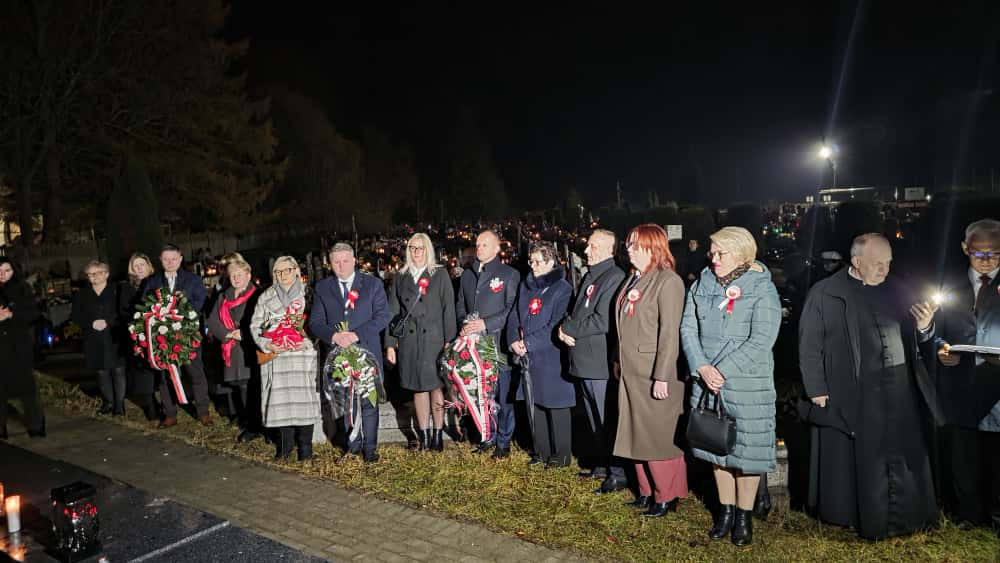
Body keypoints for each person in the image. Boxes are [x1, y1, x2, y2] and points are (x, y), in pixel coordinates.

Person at [798, 232, 942, 539]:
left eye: (888, 263)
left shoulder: (899, 289)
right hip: (853, 391)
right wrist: (816, 388)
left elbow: (919, 338)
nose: (884, 270)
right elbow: (809, 344)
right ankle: (858, 515)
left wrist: (924, 326)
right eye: (877, 264)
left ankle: (908, 515)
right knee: (859, 458)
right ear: (856, 261)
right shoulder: (826, 293)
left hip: (898, 390)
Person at [680, 227, 781, 546]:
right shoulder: (701, 283)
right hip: (708, 381)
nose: (713, 258)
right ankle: (724, 512)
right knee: (716, 449)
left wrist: (722, 370)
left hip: (747, 384)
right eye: (711, 252)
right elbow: (687, 327)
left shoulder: (762, 288)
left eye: (720, 253)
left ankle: (743, 516)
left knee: (746, 455)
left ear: (741, 254)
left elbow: (762, 339)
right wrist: (701, 366)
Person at [929, 219, 1000, 534]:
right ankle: (968, 514)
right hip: (963, 386)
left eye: (995, 253)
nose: (986, 260)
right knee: (964, 454)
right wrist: (941, 348)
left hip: (997, 388)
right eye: (978, 253)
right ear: (965, 248)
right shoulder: (950, 286)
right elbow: (936, 331)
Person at [614, 224, 687, 518]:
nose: (629, 249)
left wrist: (662, 375)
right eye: (628, 244)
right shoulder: (633, 278)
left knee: (657, 436)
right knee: (635, 432)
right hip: (630, 371)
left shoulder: (668, 281)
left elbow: (669, 334)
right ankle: (646, 491)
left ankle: (667, 495)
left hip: (652, 372)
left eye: (635, 245)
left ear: (653, 247)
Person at [558, 229, 627, 491]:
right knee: (593, 418)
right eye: (588, 245)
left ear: (609, 250)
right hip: (584, 361)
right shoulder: (592, 275)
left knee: (606, 419)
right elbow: (576, 311)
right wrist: (564, 327)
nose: (587, 251)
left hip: (598, 363)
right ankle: (602, 464)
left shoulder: (614, 277)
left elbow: (602, 320)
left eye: (593, 246)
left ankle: (618, 472)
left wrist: (568, 329)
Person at [310, 243, 390, 462]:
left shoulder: (372, 284)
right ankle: (353, 447)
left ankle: (370, 450)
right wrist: (334, 336)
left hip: (367, 352)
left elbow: (383, 316)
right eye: (336, 261)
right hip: (338, 356)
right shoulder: (323, 287)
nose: (341, 265)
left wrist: (356, 335)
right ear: (330, 264)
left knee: (368, 402)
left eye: (345, 260)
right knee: (347, 402)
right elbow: (315, 322)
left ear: (354, 261)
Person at [385, 233, 457, 451]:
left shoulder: (440, 274)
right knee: (418, 388)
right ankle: (424, 435)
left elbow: (448, 309)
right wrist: (390, 344)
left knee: (436, 388)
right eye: (412, 248)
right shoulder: (400, 276)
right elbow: (393, 312)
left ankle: (437, 434)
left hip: (434, 341)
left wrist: (449, 341)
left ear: (428, 250)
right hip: (410, 342)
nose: (416, 252)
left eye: (421, 248)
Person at [508, 241, 573, 467]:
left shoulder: (563, 289)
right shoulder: (525, 286)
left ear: (551, 261)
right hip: (528, 357)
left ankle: (561, 455)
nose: (533, 266)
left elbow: (556, 324)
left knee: (555, 404)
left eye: (538, 261)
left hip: (551, 356)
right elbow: (514, 316)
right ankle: (541, 451)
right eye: (531, 261)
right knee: (534, 404)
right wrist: (513, 341)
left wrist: (528, 343)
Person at [456, 230, 520, 458]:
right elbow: (460, 304)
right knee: (482, 394)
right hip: (474, 345)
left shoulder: (509, 274)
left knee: (503, 396)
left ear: (496, 248)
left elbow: (511, 309)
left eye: (485, 244)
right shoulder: (467, 275)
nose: (479, 248)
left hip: (497, 344)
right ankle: (487, 436)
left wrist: (486, 323)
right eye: (477, 244)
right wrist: (465, 324)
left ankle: (504, 441)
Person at [251, 256, 321, 460]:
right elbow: (255, 325)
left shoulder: (309, 294)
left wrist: (307, 341)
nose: (282, 275)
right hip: (277, 357)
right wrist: (267, 344)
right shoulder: (266, 296)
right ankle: (284, 447)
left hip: (302, 356)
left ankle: (306, 450)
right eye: (278, 271)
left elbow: (318, 322)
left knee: (304, 403)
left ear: (296, 270)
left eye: (287, 270)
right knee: (280, 404)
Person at [142, 244, 213, 427]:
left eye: (173, 259)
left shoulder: (193, 280)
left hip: (188, 335)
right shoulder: (152, 282)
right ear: (160, 260)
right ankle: (170, 414)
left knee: (196, 374)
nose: (170, 262)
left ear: (180, 259)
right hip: (163, 337)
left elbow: (200, 302)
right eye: (166, 259)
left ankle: (203, 412)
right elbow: (145, 305)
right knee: (165, 377)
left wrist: (180, 316)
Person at [207, 258, 263, 443]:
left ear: (248, 275)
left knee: (251, 387)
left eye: (240, 274)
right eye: (233, 275)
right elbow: (212, 321)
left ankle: (255, 426)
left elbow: (263, 320)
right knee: (239, 388)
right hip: (231, 347)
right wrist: (227, 334)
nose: (236, 278)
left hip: (250, 347)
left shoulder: (258, 294)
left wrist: (244, 333)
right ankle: (246, 422)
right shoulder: (224, 296)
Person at [72, 261, 126, 416]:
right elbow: (76, 316)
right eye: (90, 274)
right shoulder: (82, 294)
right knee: (101, 371)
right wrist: (90, 323)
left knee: (118, 370)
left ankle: (119, 404)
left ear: (106, 274)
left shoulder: (117, 290)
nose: (93, 277)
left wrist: (108, 321)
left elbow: (123, 311)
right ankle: (108, 402)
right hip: (93, 337)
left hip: (114, 335)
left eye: (96, 273)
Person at [0, 257, 45, 439]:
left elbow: (33, 313)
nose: (2, 275)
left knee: (27, 388)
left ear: (13, 271)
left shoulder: (22, 289)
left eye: (7, 270)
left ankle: (35, 426)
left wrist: (11, 314)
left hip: (18, 345)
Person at [119, 253, 159, 420]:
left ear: (149, 266)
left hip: (159, 333)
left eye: (142, 264)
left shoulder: (158, 282)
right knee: (143, 374)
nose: (139, 268)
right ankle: (151, 407)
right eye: (135, 266)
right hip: (139, 335)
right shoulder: (127, 288)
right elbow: (123, 311)